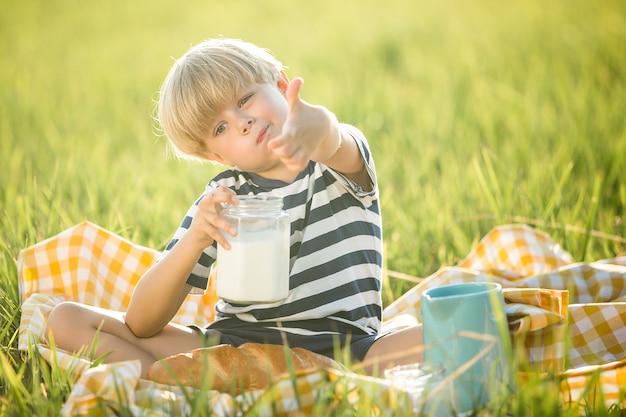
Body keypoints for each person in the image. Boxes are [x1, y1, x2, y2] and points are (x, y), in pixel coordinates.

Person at [46, 38, 422, 378]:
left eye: (244, 100)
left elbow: (331, 135)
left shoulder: (335, 164)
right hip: (236, 348)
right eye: (220, 128)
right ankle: (174, 385)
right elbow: (141, 323)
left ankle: (198, 385)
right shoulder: (222, 197)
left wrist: (315, 125)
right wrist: (194, 240)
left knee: (458, 333)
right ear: (214, 155)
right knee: (65, 320)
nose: (242, 123)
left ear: (281, 85)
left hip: (346, 349)